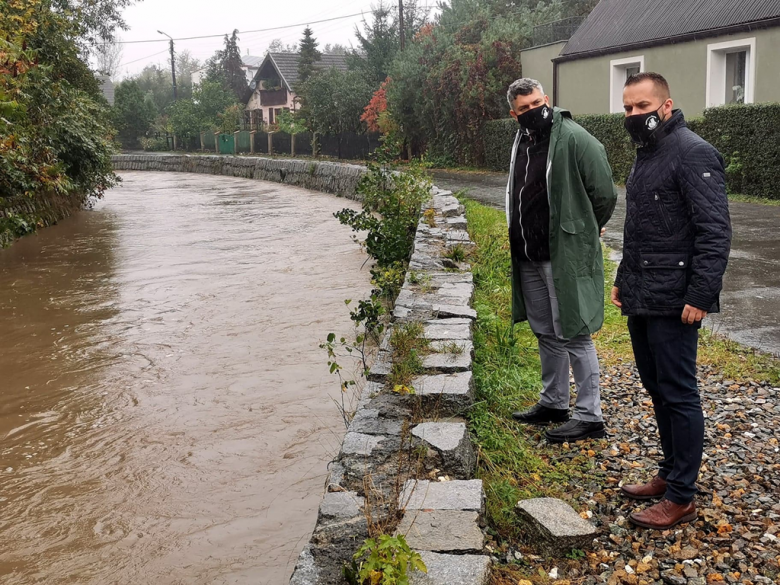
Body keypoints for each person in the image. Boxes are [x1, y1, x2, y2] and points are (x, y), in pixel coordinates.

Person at [612, 72, 732, 530]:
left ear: (665, 106)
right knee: (656, 387)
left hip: (676, 299)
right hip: (643, 293)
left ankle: (682, 496)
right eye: (626, 108)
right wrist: (624, 277)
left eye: (641, 107)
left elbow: (715, 231)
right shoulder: (646, 155)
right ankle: (669, 473)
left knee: (679, 393)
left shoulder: (693, 152)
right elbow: (638, 227)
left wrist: (701, 294)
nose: (633, 115)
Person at [506, 78, 617, 443]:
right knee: (546, 331)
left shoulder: (573, 137)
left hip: (562, 255)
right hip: (528, 254)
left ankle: (590, 415)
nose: (533, 111)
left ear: (547, 99)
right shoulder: (522, 140)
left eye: (536, 102)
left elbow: (604, 192)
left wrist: (587, 228)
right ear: (514, 114)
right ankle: (553, 402)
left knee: (574, 330)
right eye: (524, 108)